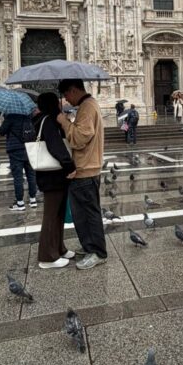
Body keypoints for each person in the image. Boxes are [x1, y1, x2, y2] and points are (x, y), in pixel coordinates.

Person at [57, 78, 107, 270]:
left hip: (86, 169)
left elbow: (78, 139)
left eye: (67, 95)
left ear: (73, 90)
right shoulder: (88, 105)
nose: (67, 101)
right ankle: (90, 246)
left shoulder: (87, 107)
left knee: (88, 214)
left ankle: (98, 252)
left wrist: (63, 122)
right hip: (86, 168)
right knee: (82, 214)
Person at [34, 92, 76, 270]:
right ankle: (47, 257)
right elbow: (56, 146)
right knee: (51, 216)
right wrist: (70, 166)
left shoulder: (42, 120)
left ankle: (59, 248)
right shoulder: (48, 122)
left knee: (58, 214)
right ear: (53, 104)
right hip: (53, 175)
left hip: (53, 175)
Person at [0, 110, 38, 212]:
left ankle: (20, 203)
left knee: (18, 177)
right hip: (29, 149)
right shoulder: (28, 116)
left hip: (15, 150)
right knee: (31, 175)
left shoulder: (11, 116)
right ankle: (33, 200)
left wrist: (6, 121)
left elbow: (1, 131)